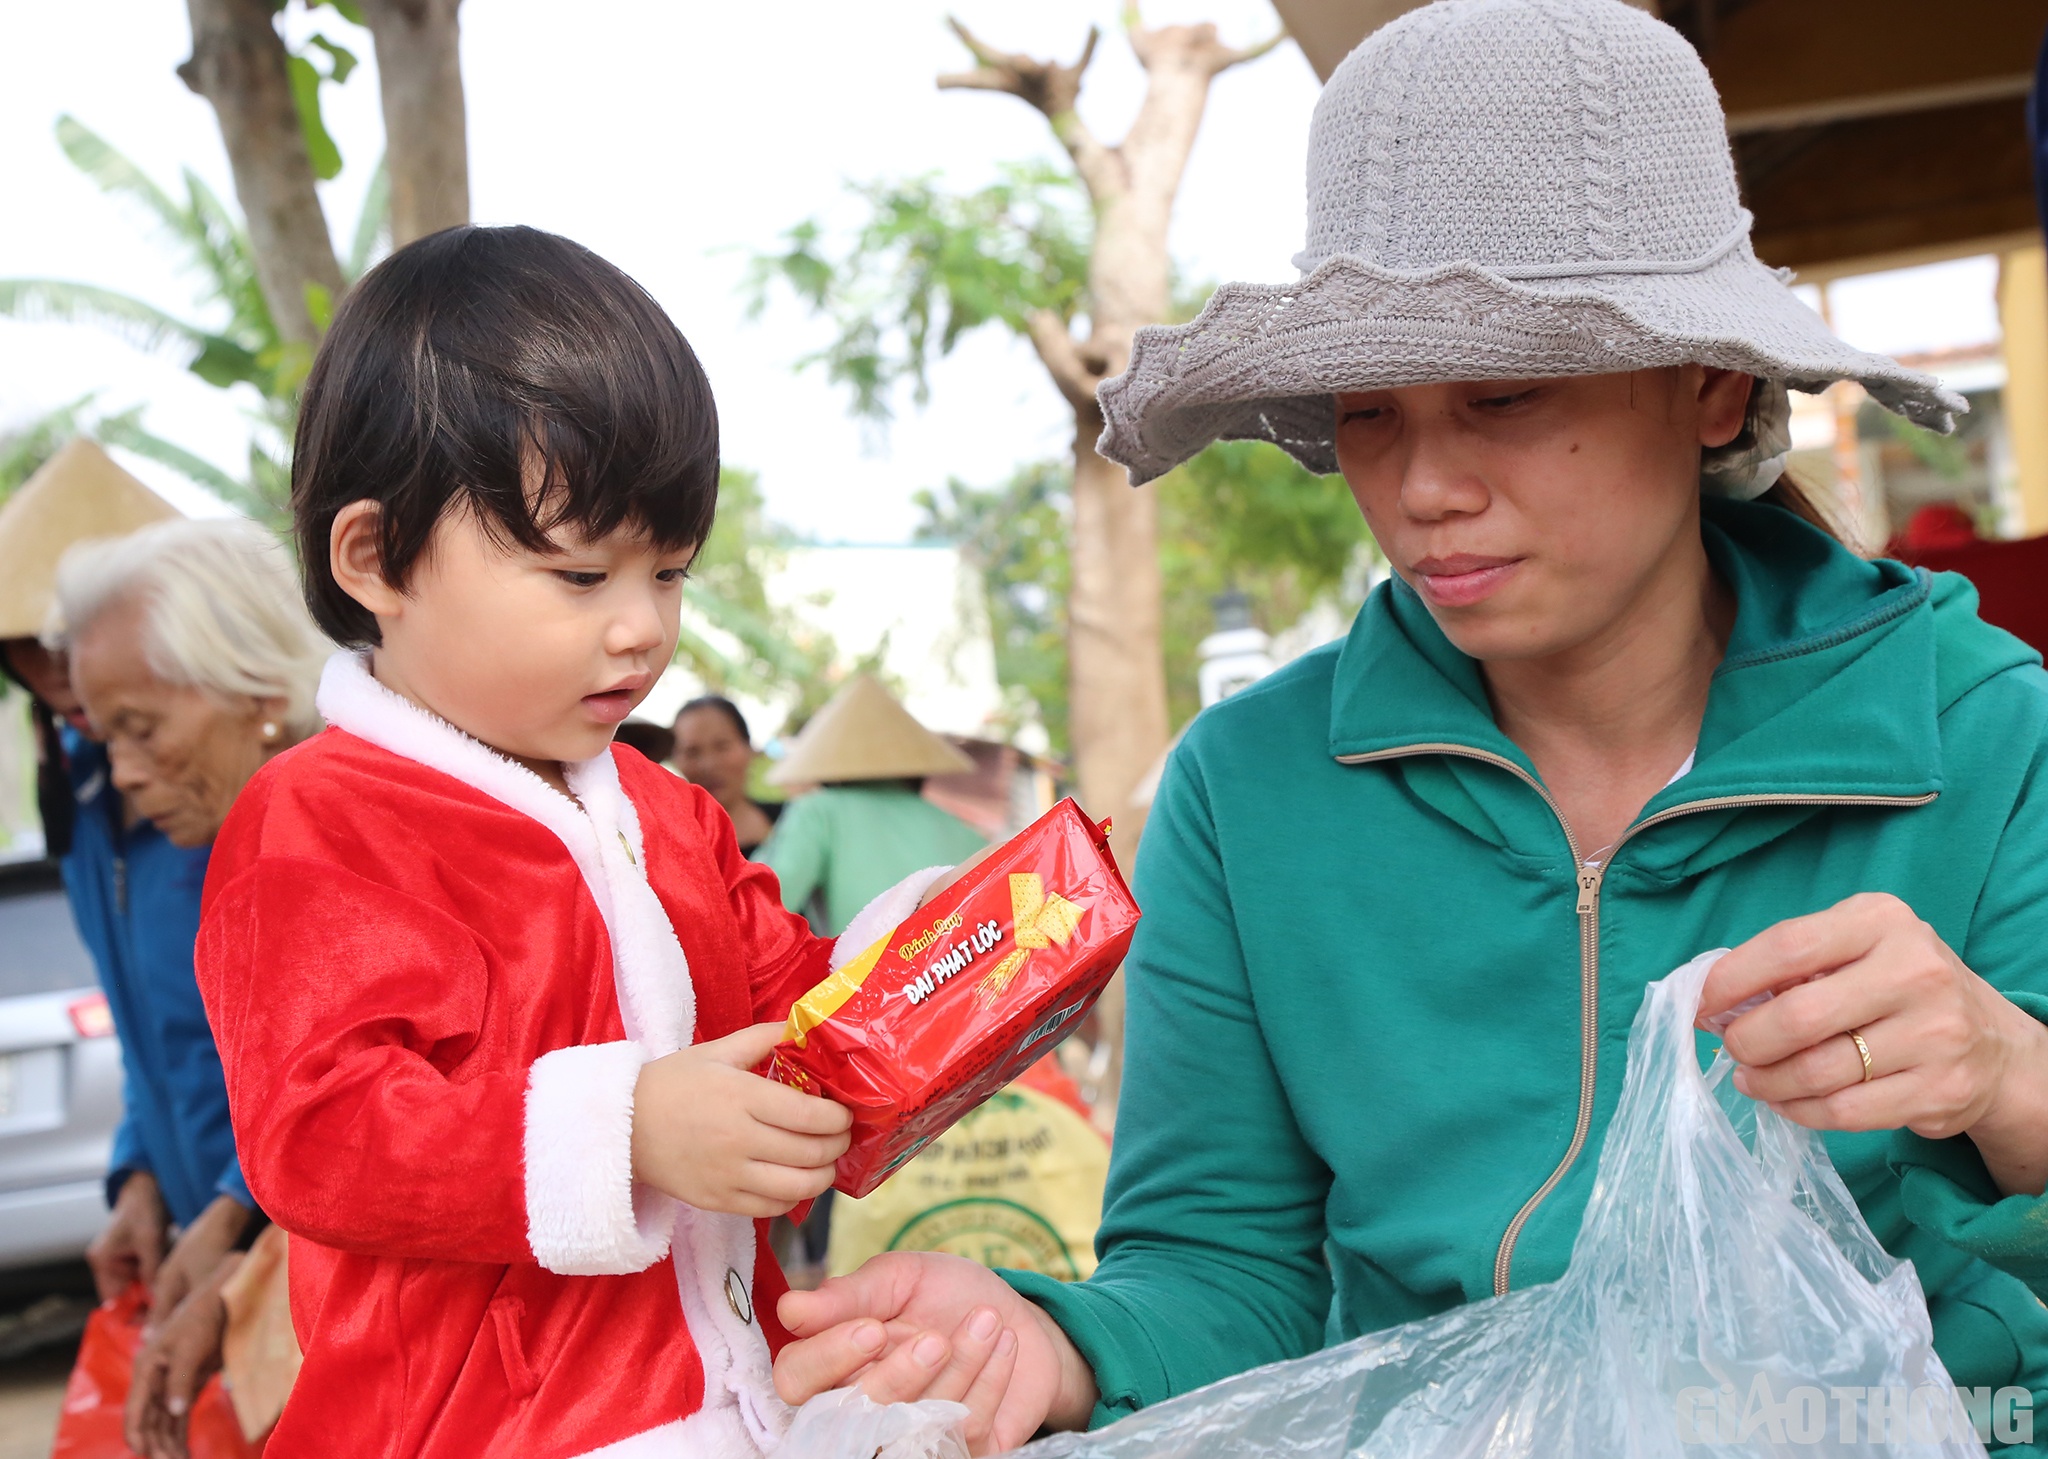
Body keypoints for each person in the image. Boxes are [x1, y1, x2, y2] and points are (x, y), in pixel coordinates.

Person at [769, 2, 2048, 1451]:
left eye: (1504, 393)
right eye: (1370, 410)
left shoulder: (1983, 731)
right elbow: (1222, 1278)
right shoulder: (1249, 792)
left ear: (1711, 384)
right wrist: (1051, 1338)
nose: (1425, 485)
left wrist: (2012, 1077)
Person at [191, 225, 950, 1459]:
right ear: (375, 556)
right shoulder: (318, 822)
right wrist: (627, 1131)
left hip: (725, 1400)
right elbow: (321, 1132)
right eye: (579, 575)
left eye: (669, 570)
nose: (642, 628)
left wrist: (925, 964)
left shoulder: (664, 808)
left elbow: (784, 1007)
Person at [54, 515, 330, 1458]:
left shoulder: (342, 849)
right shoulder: (164, 828)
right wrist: (148, 1179)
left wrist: (237, 1250)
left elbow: (388, 1134)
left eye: (139, 730)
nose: (124, 772)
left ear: (254, 688)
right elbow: (155, 1039)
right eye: (101, 731)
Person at [0, 438, 178, 858]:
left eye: (72, 638)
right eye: (28, 644)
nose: (63, 672)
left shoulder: (229, 765)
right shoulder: (73, 766)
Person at [760, 674, 988, 935]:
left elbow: (764, 908)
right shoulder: (963, 832)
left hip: (864, 973)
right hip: (959, 970)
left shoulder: (818, 812)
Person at [672, 693, 780, 856]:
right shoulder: (672, 845)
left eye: (722, 746)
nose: (709, 765)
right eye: (692, 752)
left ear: (748, 748)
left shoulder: (792, 820)